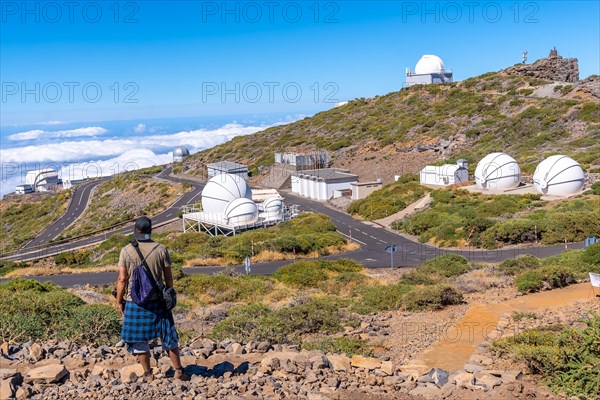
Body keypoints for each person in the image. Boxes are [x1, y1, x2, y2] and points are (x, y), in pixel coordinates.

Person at [115, 216, 190, 382]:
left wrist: (119, 300)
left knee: (138, 338)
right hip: (158, 301)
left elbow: (122, 279)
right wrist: (170, 293)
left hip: (134, 302)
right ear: (150, 230)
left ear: (136, 230)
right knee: (168, 336)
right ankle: (178, 371)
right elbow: (168, 278)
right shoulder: (161, 249)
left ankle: (148, 374)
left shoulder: (126, 250)